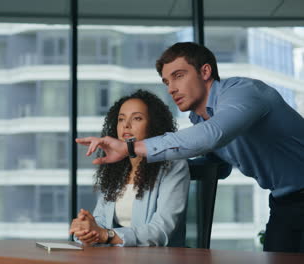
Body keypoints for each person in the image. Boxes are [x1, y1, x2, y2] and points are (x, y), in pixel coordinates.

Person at [75, 42, 304, 253]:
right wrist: (170, 171)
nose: (172, 88)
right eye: (167, 82)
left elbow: (211, 137)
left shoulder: (243, 93)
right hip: (284, 201)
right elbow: (219, 165)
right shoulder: (201, 120)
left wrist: (131, 148)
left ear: (205, 72)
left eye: (179, 76)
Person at [69, 90, 190, 247]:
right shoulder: (118, 167)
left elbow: (161, 231)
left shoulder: (174, 164)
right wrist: (87, 230)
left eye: (137, 118)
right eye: (121, 119)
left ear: (154, 125)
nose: (126, 125)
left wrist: (107, 235)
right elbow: (101, 222)